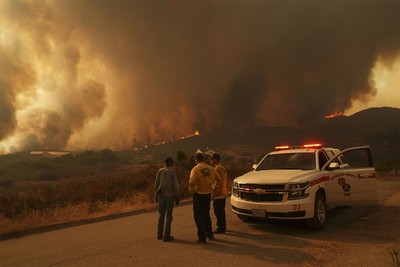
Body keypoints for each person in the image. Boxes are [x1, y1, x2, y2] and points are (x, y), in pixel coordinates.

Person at [189, 152, 222, 244]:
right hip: (208, 194)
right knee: (206, 214)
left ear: (196, 160)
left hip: (199, 194)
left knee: (198, 216)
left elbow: (191, 181)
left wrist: (193, 190)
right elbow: (219, 179)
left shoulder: (195, 169)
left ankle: (202, 237)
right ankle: (210, 234)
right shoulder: (210, 168)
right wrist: (214, 188)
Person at [154, 157, 180, 242]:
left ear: (165, 163)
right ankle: (166, 235)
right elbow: (176, 186)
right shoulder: (172, 172)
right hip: (170, 196)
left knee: (161, 215)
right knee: (168, 216)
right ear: (172, 163)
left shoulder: (160, 171)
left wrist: (156, 195)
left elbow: (156, 184)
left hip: (161, 195)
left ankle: (159, 234)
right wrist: (177, 196)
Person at [211, 153, 228, 234]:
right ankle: (223, 226)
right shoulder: (222, 168)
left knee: (218, 211)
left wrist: (213, 190)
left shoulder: (217, 168)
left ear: (216, 160)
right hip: (223, 192)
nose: (211, 161)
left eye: (212, 159)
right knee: (221, 211)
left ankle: (220, 228)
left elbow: (218, 181)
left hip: (218, 193)